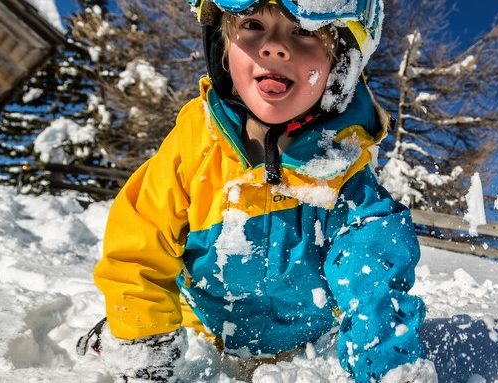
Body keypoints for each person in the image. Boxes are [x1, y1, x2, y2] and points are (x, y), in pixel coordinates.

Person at [79, 0, 433, 381]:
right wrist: (146, 351)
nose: (274, 47)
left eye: (304, 30)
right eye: (251, 24)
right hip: (201, 333)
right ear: (223, 51)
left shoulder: (344, 174)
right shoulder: (196, 145)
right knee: (133, 324)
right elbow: (139, 244)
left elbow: (375, 281)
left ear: (340, 65)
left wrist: (384, 368)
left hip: (306, 346)